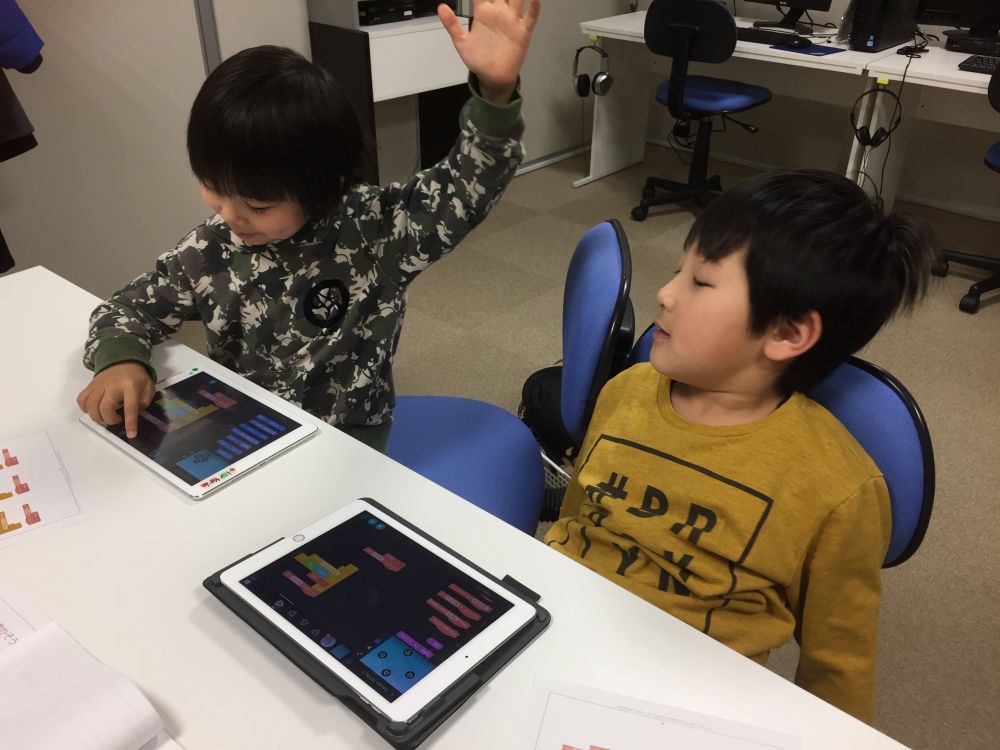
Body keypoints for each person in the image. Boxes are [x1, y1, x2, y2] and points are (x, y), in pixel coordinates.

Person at [544, 169, 936, 724]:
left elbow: (838, 663)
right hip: (555, 630)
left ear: (786, 334)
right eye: (678, 270)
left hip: (684, 701)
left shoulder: (839, 487)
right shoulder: (625, 391)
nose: (665, 293)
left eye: (701, 282)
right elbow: (574, 519)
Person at [76, 0, 541, 452]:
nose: (231, 216)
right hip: (245, 429)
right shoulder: (208, 249)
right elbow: (127, 309)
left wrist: (495, 93)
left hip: (350, 438)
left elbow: (464, 186)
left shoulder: (378, 231)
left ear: (326, 186)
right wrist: (120, 360)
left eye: (258, 205)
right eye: (213, 188)